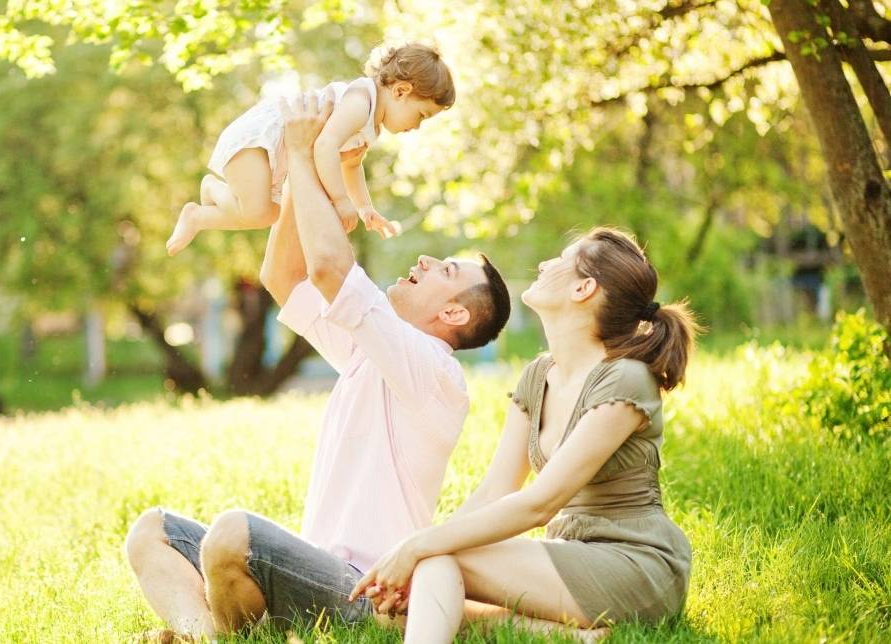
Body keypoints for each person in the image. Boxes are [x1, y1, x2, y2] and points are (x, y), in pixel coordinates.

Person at [125, 92, 511, 641]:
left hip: (363, 592)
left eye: (446, 270)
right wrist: (291, 175)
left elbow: (328, 267)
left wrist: (307, 154)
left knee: (233, 534)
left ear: (454, 313)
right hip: (308, 572)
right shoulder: (370, 349)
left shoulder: (433, 372)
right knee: (152, 531)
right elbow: (284, 277)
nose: (425, 260)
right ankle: (201, 635)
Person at [350, 227, 699, 642]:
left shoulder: (625, 379)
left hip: (634, 563)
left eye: (561, 260)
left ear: (584, 288)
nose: (545, 264)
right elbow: (494, 491)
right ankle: (569, 636)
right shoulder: (538, 376)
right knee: (405, 603)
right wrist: (422, 549)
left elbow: (540, 504)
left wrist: (416, 547)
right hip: (571, 554)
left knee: (435, 566)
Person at [165, 42, 455, 255]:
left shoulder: (372, 125)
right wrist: (340, 200)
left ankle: (203, 211)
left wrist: (364, 207)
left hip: (277, 153)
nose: (417, 126)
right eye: (421, 115)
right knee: (256, 212)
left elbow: (352, 164)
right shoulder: (361, 101)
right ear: (401, 91)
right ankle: (206, 199)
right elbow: (325, 146)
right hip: (263, 137)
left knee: (268, 214)